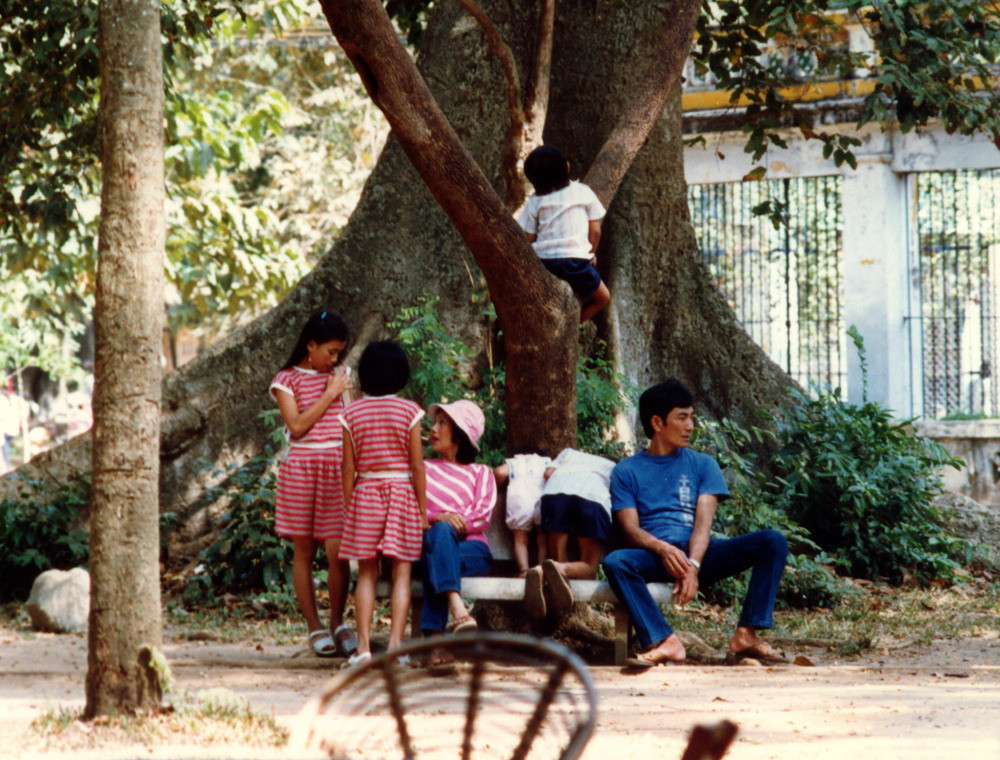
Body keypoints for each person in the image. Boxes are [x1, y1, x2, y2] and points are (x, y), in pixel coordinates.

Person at [603, 380, 788, 666]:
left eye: (692, 417)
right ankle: (666, 641)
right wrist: (663, 549)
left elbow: (703, 525)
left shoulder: (703, 464)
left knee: (772, 541)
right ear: (657, 422)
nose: (691, 425)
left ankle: (746, 635)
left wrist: (693, 565)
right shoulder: (626, 471)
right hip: (654, 557)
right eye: (682, 417)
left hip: (698, 555)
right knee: (616, 561)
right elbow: (630, 528)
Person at [269, 310, 356, 659]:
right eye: (330, 351)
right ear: (311, 345)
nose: (335, 359)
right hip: (302, 467)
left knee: (338, 551)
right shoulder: (285, 380)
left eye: (340, 353)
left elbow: (350, 422)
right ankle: (313, 627)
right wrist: (329, 392)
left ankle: (338, 621)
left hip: (337, 467)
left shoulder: (342, 376)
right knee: (303, 550)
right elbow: (298, 427)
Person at [339, 341, 427, 667]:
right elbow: (418, 466)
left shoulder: (350, 413)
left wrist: (351, 506)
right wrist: (421, 511)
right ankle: (394, 648)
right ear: (400, 373)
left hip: (365, 493)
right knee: (402, 573)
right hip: (403, 493)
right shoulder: (409, 412)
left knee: (366, 575)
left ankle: (362, 649)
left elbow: (348, 468)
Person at [419, 400, 497, 665]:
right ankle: (458, 608)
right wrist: (437, 518)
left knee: (440, 549)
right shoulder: (422, 468)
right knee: (439, 541)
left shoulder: (480, 472)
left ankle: (435, 643)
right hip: (431, 546)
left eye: (442, 423)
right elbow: (411, 509)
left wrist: (449, 524)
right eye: (434, 422)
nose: (434, 429)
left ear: (461, 435)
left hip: (472, 552)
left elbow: (483, 514)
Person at [516, 145, 611, 323]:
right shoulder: (583, 191)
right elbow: (595, 230)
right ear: (567, 166)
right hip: (576, 262)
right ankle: (572, 325)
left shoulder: (535, 201)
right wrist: (591, 255)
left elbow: (529, 237)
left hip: (544, 262)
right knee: (603, 298)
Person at [522, 448, 616, 620]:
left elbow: (549, 473)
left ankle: (540, 570)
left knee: (556, 560)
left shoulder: (569, 453)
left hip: (556, 492)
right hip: (592, 495)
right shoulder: (612, 465)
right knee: (588, 570)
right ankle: (555, 569)